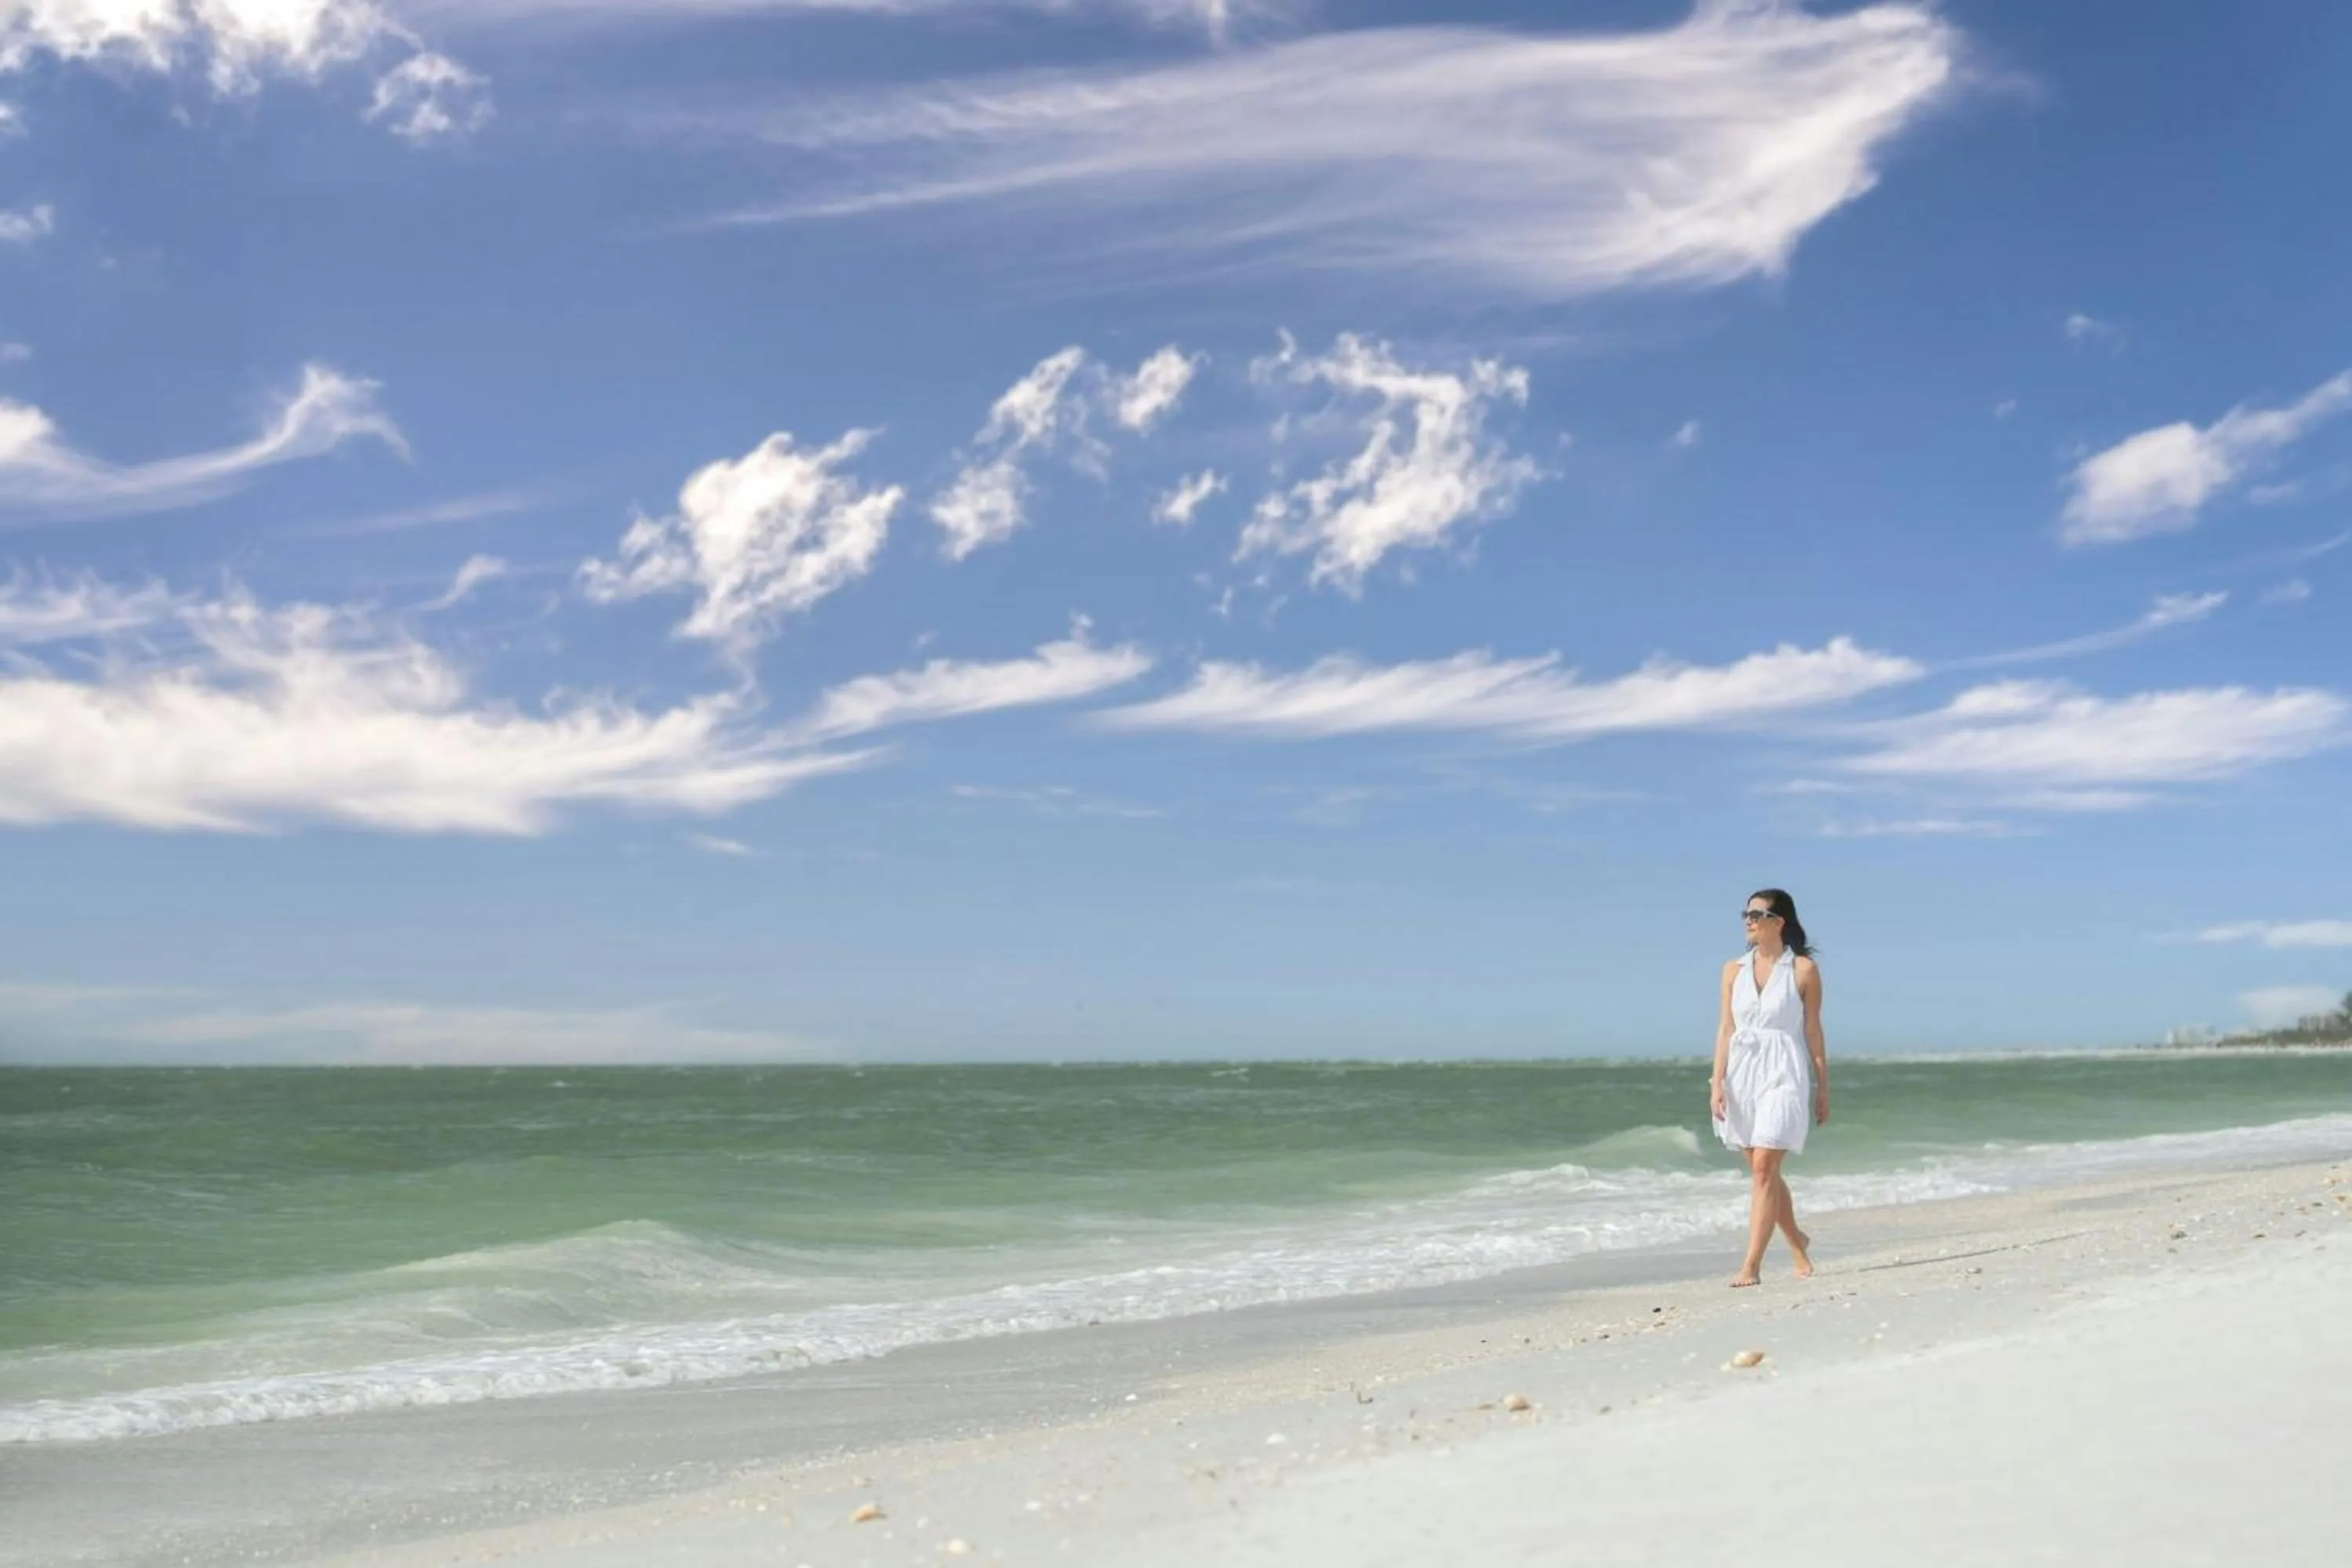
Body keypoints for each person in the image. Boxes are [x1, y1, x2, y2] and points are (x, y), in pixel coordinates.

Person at [1709, 888, 1829, 1287]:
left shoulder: (1804, 971)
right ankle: (1796, 1241)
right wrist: (1717, 1082)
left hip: (1784, 1071)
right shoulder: (1732, 970)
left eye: (1757, 914)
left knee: (1764, 1168)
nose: (1749, 920)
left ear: (1779, 922)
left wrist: (1823, 1086)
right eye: (1745, 913)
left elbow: (1812, 1030)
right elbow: (1726, 1028)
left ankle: (1752, 1266)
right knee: (1765, 1172)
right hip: (1741, 1073)